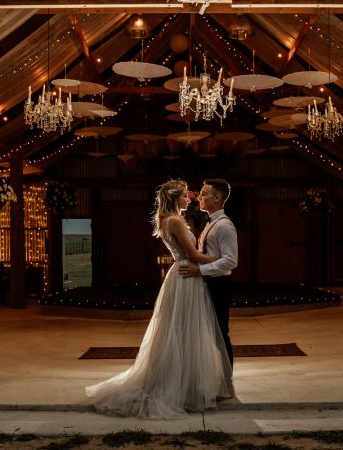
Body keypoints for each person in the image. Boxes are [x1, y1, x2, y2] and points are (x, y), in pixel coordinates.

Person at [85, 179, 233, 419]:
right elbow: (194, 254)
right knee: (182, 331)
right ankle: (178, 386)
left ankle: (187, 384)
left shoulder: (173, 219)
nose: (191, 199)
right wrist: (222, 261)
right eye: (186, 195)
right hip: (186, 273)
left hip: (186, 274)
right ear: (176, 197)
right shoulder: (174, 221)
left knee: (184, 331)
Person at [178, 178, 237, 366]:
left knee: (220, 333)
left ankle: (227, 383)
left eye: (204, 193)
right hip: (210, 283)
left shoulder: (224, 226)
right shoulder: (212, 222)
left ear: (217, 198)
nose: (199, 197)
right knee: (210, 333)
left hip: (219, 285)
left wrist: (200, 270)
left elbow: (230, 261)